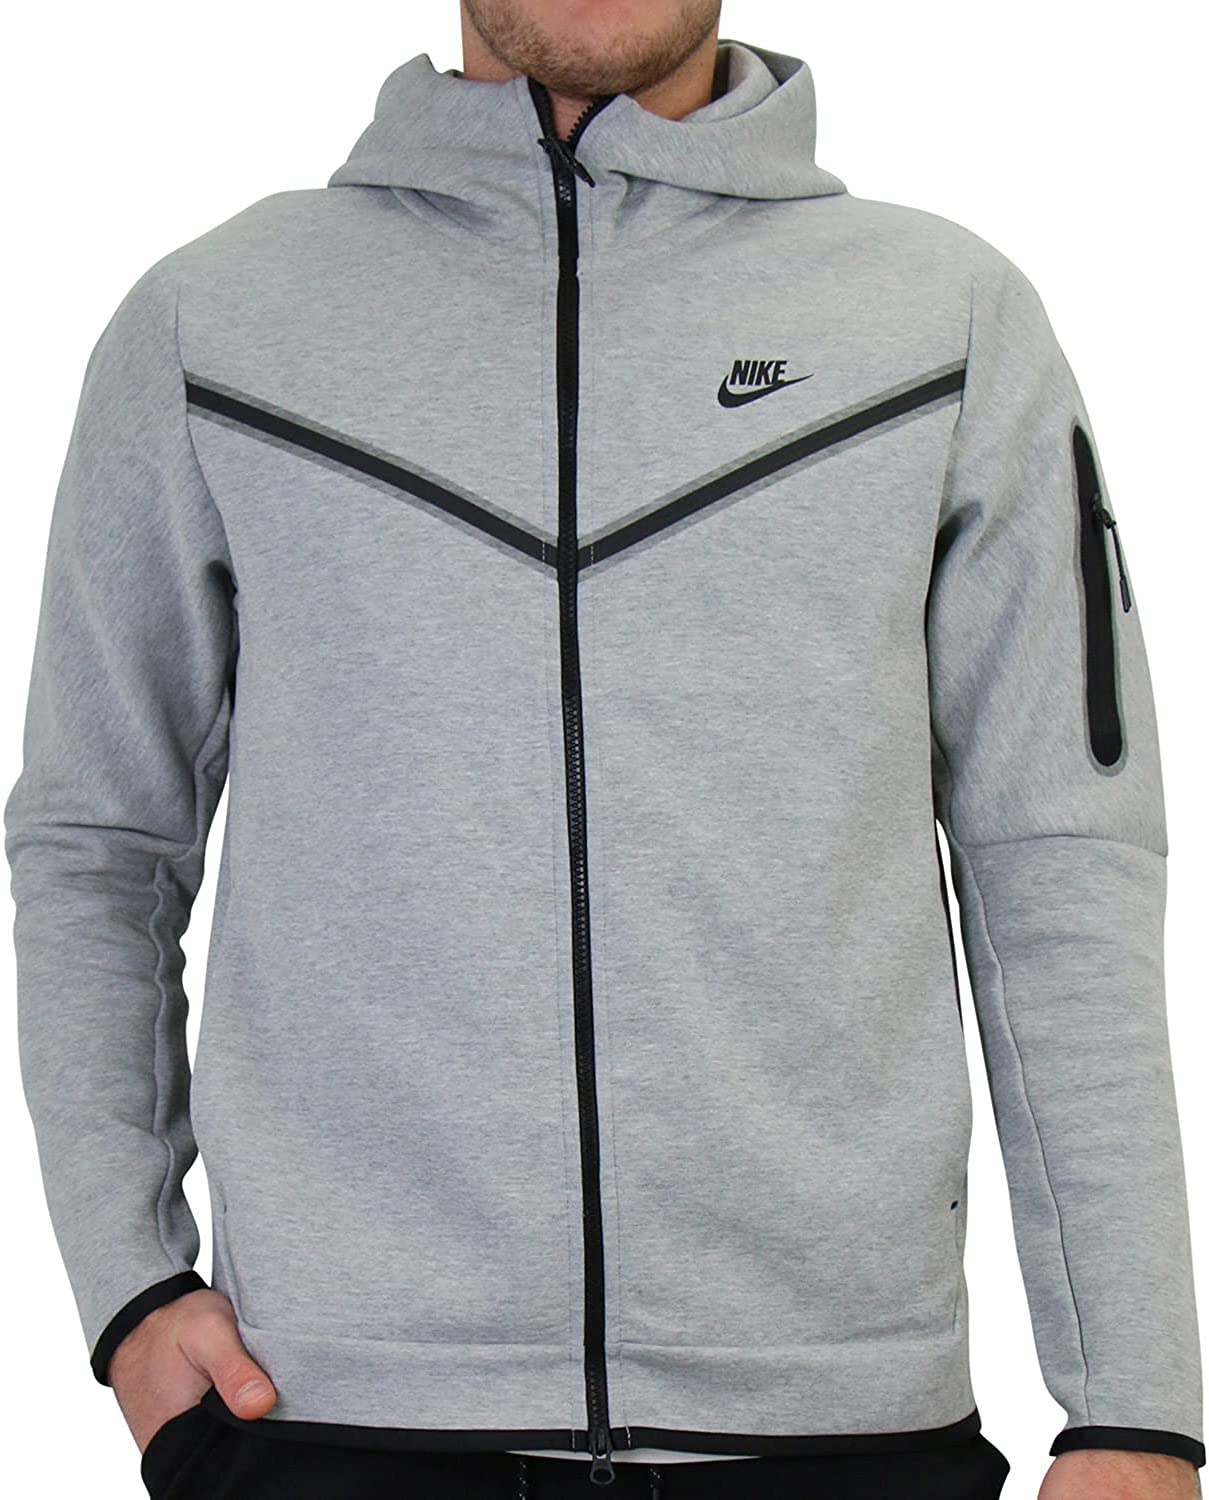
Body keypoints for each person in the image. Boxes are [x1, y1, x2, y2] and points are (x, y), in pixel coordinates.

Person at [6, 2, 1203, 1497]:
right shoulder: (213, 325)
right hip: (328, 1415)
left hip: (837, 1430)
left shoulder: (941, 321)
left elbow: (1060, 867)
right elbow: (99, 841)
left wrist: (1134, 1403)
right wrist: (129, 1284)